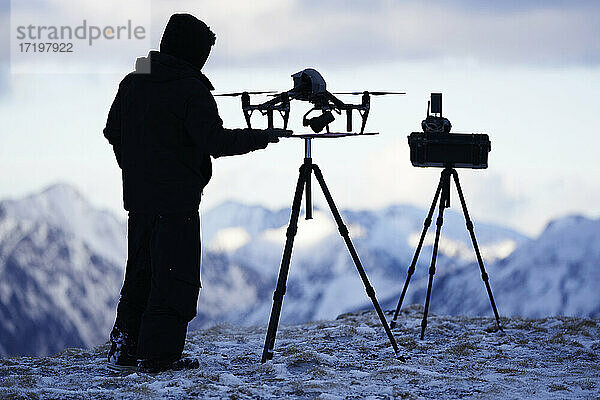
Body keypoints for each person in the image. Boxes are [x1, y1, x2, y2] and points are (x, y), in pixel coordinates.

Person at [103, 13, 282, 372]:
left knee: (141, 273)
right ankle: (158, 356)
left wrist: (134, 167)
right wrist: (261, 136)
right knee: (174, 278)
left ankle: (125, 349)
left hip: (138, 200)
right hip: (177, 203)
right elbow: (215, 141)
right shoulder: (190, 89)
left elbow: (112, 131)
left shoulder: (134, 80)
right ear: (192, 51)